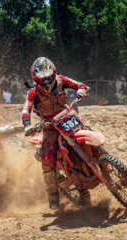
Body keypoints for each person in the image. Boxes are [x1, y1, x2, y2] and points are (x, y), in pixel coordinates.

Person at [22, 57, 88, 210]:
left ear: (53, 73)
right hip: (50, 126)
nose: (47, 82)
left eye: (49, 78)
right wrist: (27, 125)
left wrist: (81, 90)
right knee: (47, 158)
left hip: (68, 116)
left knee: (88, 131)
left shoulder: (61, 80)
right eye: (42, 80)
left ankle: (103, 159)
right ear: (36, 79)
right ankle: (53, 195)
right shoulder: (33, 92)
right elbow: (27, 108)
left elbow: (79, 84)